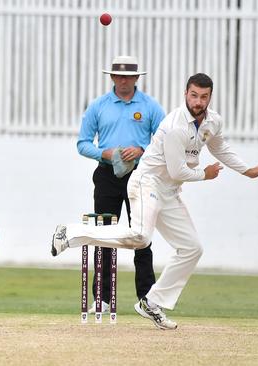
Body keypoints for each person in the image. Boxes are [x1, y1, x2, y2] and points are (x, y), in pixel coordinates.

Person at [52, 73, 258, 330]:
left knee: (192, 248)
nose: (198, 101)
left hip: (169, 191)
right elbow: (179, 170)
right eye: (194, 95)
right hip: (147, 183)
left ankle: (152, 301)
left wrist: (248, 170)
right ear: (185, 94)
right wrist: (206, 174)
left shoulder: (213, 121)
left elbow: (220, 148)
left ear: (210, 97)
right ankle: (71, 232)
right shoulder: (175, 126)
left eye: (204, 97)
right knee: (141, 238)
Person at [77, 55, 164, 314]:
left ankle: (148, 297)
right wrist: (105, 153)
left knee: (142, 234)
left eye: (129, 76)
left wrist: (140, 150)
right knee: (104, 235)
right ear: (112, 77)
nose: (124, 80)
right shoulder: (99, 106)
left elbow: (163, 143)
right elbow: (82, 143)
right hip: (107, 175)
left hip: (141, 176)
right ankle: (102, 299)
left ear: (137, 78)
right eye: (119, 75)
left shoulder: (150, 106)